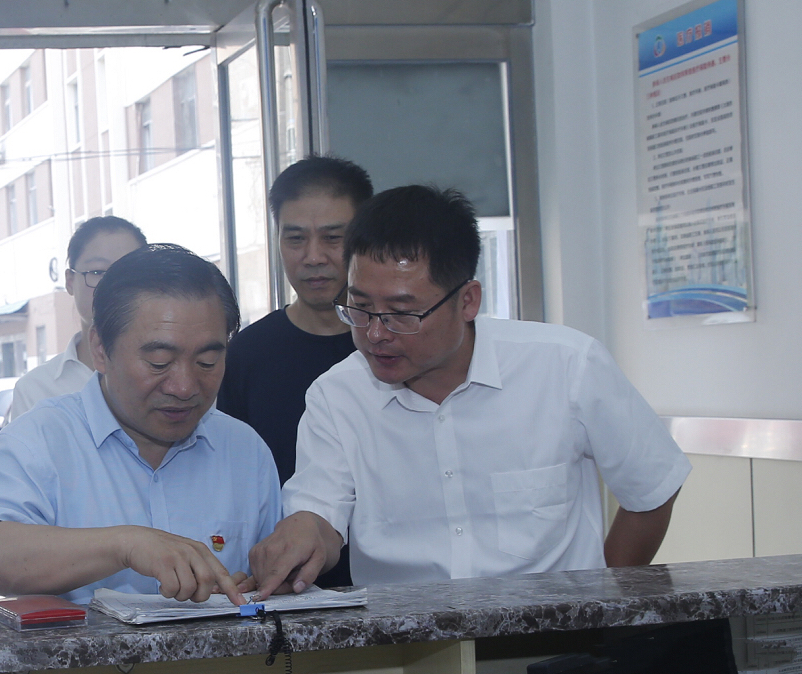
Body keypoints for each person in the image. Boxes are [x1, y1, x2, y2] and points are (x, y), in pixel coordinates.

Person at [249, 185, 692, 597]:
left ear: (467, 301)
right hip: (407, 641)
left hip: (553, 635)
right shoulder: (336, 396)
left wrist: (603, 603)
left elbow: (651, 489)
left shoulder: (566, 366)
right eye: (360, 308)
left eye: (402, 313)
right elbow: (321, 514)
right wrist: (302, 534)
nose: (375, 333)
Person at [0, 244, 281, 605]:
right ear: (101, 349)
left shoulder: (244, 450)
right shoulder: (38, 442)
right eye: (159, 362)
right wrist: (125, 545)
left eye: (207, 362)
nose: (184, 387)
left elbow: (270, 578)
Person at [217, 155, 372, 588]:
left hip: (392, 586)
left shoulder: (394, 346)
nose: (313, 257)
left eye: (333, 238)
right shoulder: (245, 355)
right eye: (295, 238)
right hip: (287, 590)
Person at [7, 215, 147, 421]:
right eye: (98, 272)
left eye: (129, 272)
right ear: (70, 281)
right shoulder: (35, 390)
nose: (113, 285)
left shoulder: (174, 379)